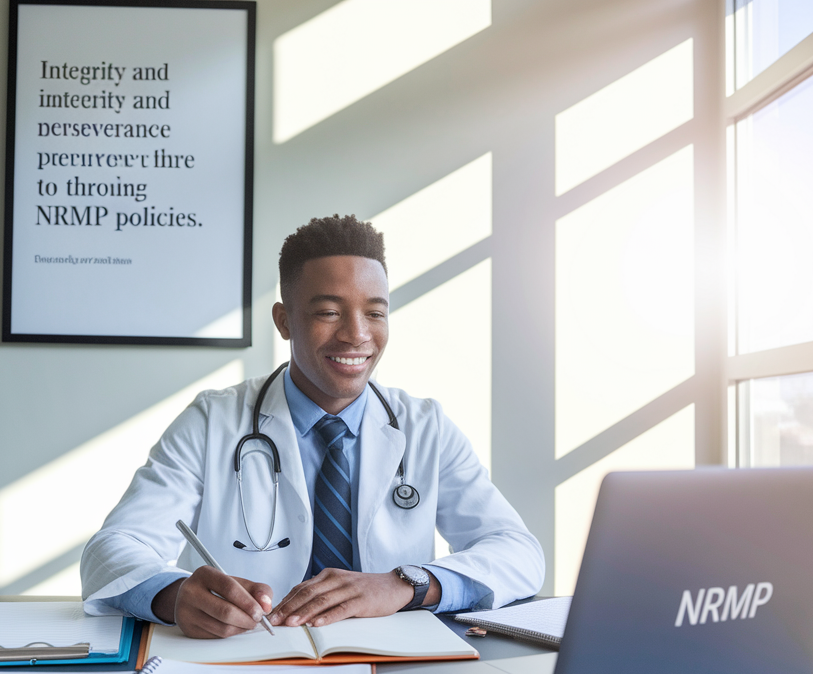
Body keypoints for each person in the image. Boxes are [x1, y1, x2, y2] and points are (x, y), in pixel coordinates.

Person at [80, 214, 544, 638]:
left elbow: (518, 553)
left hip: (394, 663)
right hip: (242, 660)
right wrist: (173, 596)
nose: (357, 334)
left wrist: (407, 584)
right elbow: (112, 549)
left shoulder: (426, 427)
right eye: (328, 312)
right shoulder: (212, 421)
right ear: (284, 321)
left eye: (375, 313)